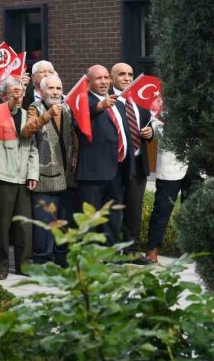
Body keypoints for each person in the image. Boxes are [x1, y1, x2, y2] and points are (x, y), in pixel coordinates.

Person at [22, 75, 77, 266]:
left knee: (64, 223)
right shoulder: (34, 108)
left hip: (67, 176)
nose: (55, 92)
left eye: (58, 89)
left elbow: (74, 134)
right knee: (45, 225)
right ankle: (42, 261)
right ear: (42, 91)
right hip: (45, 176)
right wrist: (47, 116)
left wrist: (76, 154)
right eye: (51, 88)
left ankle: (62, 260)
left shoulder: (68, 109)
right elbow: (27, 130)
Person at [0, 76, 38, 279]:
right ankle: (2, 266)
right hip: (3, 176)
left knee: (24, 225)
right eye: (13, 93)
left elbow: (33, 147)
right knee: (2, 224)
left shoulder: (28, 115)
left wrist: (33, 174)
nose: (18, 97)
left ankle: (24, 265)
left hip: (23, 176)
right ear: (3, 95)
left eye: (21, 92)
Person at [74, 65, 128, 245]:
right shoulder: (82, 101)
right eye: (99, 78)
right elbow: (78, 120)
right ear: (88, 82)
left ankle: (110, 256)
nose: (104, 81)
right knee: (91, 220)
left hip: (117, 171)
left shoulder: (118, 103)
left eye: (106, 77)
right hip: (93, 174)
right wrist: (98, 106)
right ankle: (91, 260)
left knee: (113, 218)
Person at [134, 116, 198, 265]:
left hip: (198, 162)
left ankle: (192, 251)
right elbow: (155, 126)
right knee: (161, 210)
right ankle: (152, 250)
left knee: (193, 210)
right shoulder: (163, 99)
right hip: (171, 162)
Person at [111, 63, 153, 251]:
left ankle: (132, 252)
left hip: (138, 164)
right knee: (113, 212)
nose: (127, 78)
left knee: (134, 211)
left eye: (130, 74)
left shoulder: (141, 102)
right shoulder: (107, 102)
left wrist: (150, 133)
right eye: (122, 74)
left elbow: (149, 127)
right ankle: (111, 253)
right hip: (116, 166)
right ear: (112, 78)